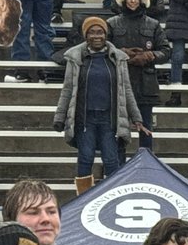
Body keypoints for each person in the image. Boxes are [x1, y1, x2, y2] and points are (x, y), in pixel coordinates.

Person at [53, 16, 143, 192]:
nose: (96, 36)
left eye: (100, 32)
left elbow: (127, 91)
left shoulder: (118, 59)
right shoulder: (75, 58)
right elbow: (67, 90)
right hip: (85, 120)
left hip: (109, 119)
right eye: (92, 32)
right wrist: (59, 117)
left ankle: (111, 197)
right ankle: (82, 198)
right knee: (85, 159)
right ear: (86, 35)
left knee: (111, 160)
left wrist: (136, 117)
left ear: (106, 34)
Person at [106, 0, 168, 152]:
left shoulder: (153, 24)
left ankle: (146, 165)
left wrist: (150, 55)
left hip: (145, 84)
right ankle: (116, 168)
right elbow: (104, 49)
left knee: (146, 128)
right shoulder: (112, 23)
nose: (133, 1)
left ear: (142, 0)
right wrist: (122, 54)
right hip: (119, 83)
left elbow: (165, 51)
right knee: (118, 129)